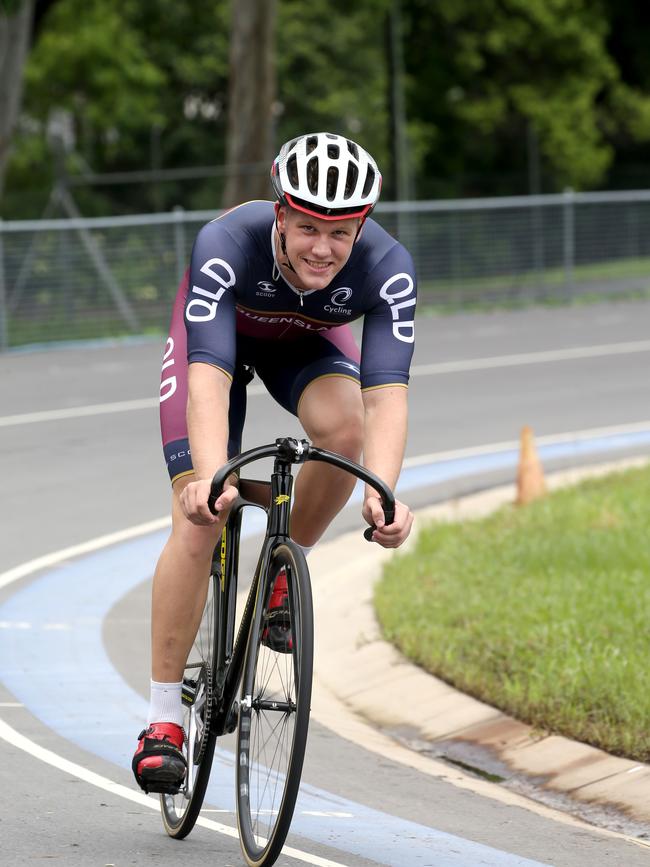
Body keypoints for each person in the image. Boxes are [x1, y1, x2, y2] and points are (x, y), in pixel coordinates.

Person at [132, 131, 417, 794]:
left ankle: (283, 576)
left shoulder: (389, 268)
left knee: (345, 432)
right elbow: (207, 374)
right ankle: (162, 720)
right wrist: (210, 478)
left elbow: (386, 396)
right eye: (309, 227)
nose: (323, 247)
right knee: (200, 518)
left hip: (306, 347)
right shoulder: (226, 243)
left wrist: (384, 492)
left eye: (341, 233)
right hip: (219, 343)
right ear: (281, 216)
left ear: (362, 229)